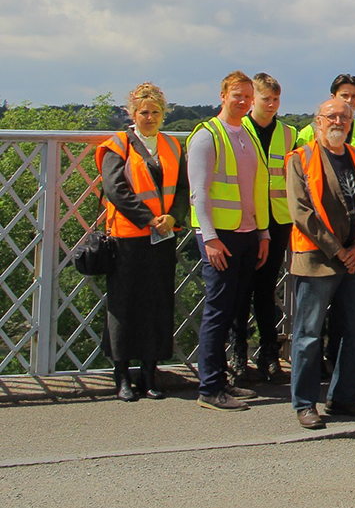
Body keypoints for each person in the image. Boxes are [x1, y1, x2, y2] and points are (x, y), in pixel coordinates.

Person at [285, 98, 355, 429]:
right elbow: (301, 213)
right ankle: (305, 403)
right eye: (331, 116)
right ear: (318, 122)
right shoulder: (301, 158)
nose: (338, 121)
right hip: (317, 260)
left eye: (345, 116)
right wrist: (339, 251)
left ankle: (343, 397)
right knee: (309, 334)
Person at [95, 82, 190, 401]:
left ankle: (150, 374)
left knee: (157, 303)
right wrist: (149, 218)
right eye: (143, 112)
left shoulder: (173, 146)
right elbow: (115, 189)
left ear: (164, 114)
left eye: (155, 112)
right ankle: (121, 374)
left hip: (163, 236)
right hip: (127, 237)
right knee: (123, 305)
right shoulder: (117, 145)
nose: (149, 117)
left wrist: (173, 218)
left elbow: (181, 188)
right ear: (132, 114)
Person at [189, 71, 270, 412]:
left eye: (248, 96)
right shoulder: (208, 136)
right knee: (218, 311)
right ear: (223, 95)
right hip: (220, 236)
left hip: (247, 232)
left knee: (235, 308)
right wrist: (209, 238)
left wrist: (263, 232)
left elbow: (257, 187)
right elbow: (199, 193)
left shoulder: (246, 133)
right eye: (237, 95)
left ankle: (222, 380)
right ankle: (209, 386)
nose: (244, 101)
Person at [229, 72, 296, 385]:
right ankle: (237, 352)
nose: (271, 105)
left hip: (279, 218)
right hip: (246, 218)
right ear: (253, 99)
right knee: (241, 290)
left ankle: (269, 352)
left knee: (266, 289)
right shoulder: (239, 128)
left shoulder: (288, 133)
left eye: (275, 100)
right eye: (265, 99)